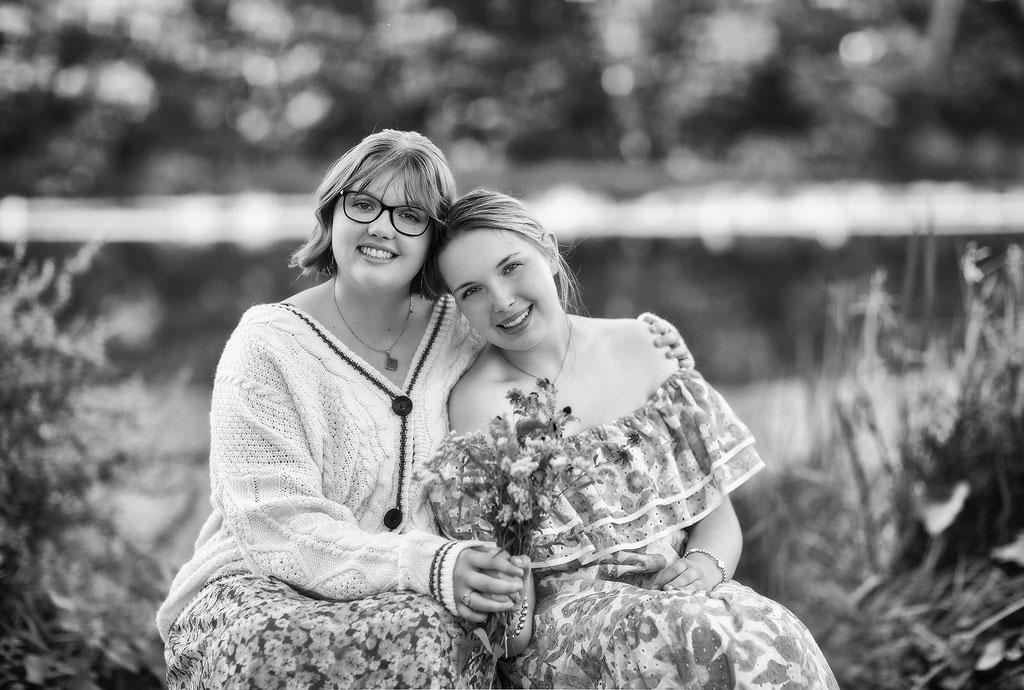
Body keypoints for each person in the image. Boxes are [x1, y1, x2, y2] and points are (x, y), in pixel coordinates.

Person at [155, 130, 685, 689]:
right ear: (331, 213)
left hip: (425, 596)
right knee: (287, 646)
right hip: (265, 588)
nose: (381, 227)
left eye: (410, 215)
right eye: (362, 204)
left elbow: (555, 351)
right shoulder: (267, 345)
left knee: (427, 635)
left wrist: (646, 341)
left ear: (432, 240)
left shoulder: (464, 326)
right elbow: (275, 526)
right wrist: (424, 563)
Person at [422, 189, 841, 689]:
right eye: (472, 291)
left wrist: (705, 569)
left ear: (549, 251)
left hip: (682, 601)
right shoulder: (478, 407)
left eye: (511, 267)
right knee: (677, 635)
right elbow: (509, 634)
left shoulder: (644, 347)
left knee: (771, 632)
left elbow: (718, 519)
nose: (502, 300)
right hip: (570, 634)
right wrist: (512, 543)